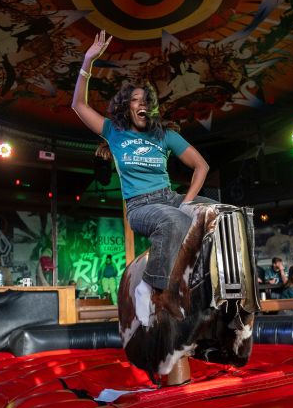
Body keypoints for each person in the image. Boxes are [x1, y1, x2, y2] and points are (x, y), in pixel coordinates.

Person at [71, 30, 212, 292]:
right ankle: (151, 289)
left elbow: (201, 166)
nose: (141, 103)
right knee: (175, 221)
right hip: (139, 206)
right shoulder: (114, 131)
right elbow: (78, 105)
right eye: (135, 100)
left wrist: (188, 203)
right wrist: (88, 61)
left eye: (145, 100)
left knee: (220, 213)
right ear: (127, 107)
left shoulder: (164, 135)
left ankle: (212, 283)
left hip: (169, 198)